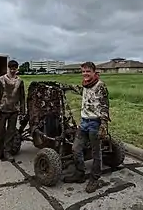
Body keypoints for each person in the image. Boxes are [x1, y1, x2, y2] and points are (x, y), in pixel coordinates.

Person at [63, 61, 110, 193]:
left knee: (96, 152)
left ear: (94, 72)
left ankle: (94, 178)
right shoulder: (85, 85)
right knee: (76, 148)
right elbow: (80, 90)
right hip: (84, 122)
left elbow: (105, 106)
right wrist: (65, 87)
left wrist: (103, 125)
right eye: (83, 71)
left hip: (95, 123)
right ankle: (80, 173)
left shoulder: (100, 86)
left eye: (88, 71)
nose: (85, 74)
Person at [0, 60, 25, 162]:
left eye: (14, 68)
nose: (12, 70)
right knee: (0, 132)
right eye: (11, 68)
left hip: (14, 111)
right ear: (8, 68)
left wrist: (22, 112)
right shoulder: (1, 80)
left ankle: (7, 152)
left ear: (17, 69)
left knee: (11, 132)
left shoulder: (20, 81)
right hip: (2, 111)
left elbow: (22, 97)